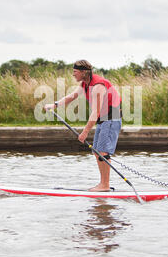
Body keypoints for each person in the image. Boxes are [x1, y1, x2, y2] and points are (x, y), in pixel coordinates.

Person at [44, 59, 122, 192]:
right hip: (103, 120)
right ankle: (103, 184)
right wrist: (55, 105)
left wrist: (85, 132)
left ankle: (105, 185)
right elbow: (71, 96)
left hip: (111, 119)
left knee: (102, 152)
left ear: (83, 72)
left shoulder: (98, 86)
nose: (73, 75)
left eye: (75, 72)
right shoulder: (84, 84)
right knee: (97, 151)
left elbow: (96, 112)